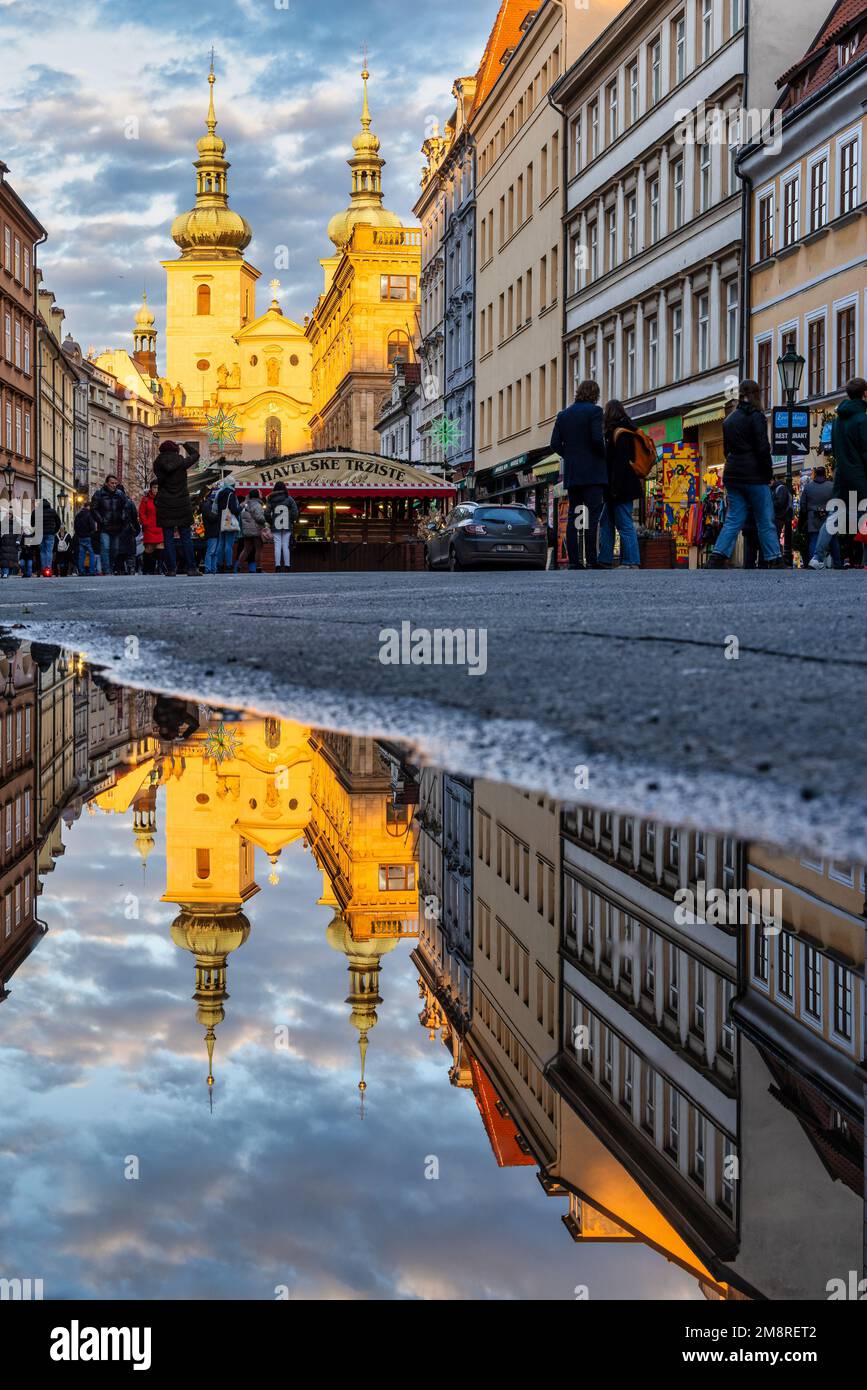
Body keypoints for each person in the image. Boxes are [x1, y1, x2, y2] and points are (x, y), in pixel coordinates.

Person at [707, 381, 784, 568]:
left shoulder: (729, 420)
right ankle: (774, 557)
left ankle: (718, 555)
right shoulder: (756, 417)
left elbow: (727, 451)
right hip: (754, 475)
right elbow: (762, 449)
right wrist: (768, 474)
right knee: (765, 518)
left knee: (734, 518)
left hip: (733, 474)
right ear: (757, 394)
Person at [809, 378, 867, 569]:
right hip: (860, 477)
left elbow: (834, 449)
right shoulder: (863, 420)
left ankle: (816, 557)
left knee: (834, 518)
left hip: (842, 476)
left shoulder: (835, 422)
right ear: (864, 394)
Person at [550, 379, 607, 569]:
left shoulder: (563, 415)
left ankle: (574, 561)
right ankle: (591, 559)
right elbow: (598, 439)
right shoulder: (595, 412)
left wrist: (570, 455)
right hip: (593, 474)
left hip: (573, 474)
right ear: (595, 395)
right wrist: (601, 456)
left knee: (576, 516)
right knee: (591, 517)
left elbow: (554, 444)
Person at [598, 400, 643, 569]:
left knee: (624, 524)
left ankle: (632, 561)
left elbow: (620, 464)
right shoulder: (622, 430)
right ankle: (604, 559)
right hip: (616, 489)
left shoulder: (621, 433)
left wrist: (614, 489)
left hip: (620, 488)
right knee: (606, 522)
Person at [153, 439, 201, 576]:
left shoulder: (157, 463)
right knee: (186, 537)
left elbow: (160, 478)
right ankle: (191, 568)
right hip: (182, 503)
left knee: (168, 538)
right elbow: (196, 454)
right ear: (176, 450)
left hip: (165, 503)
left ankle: (171, 569)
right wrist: (185, 444)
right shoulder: (181, 462)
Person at [91, 474, 138, 574]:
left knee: (115, 550)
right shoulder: (99, 494)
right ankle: (107, 570)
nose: (114, 485)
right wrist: (101, 520)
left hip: (117, 527)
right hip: (105, 527)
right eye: (112, 483)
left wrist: (123, 517)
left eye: (115, 483)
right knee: (105, 548)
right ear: (106, 483)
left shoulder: (120, 494)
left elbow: (126, 505)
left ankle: (110, 567)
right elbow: (93, 509)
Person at [799, 465, 839, 568]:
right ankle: (838, 562)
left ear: (815, 474)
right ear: (825, 474)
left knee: (814, 539)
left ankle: (814, 561)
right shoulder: (831, 486)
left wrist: (803, 520)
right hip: (829, 515)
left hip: (813, 517)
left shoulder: (808, 488)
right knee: (833, 540)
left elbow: (803, 506)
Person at [266, 481, 299, 572]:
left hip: (276, 525)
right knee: (285, 545)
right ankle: (287, 566)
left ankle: (277, 566)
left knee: (277, 545)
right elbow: (295, 512)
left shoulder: (270, 499)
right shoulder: (289, 499)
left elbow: (267, 513)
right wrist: (291, 520)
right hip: (286, 525)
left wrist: (271, 521)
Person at [215, 475, 241, 573]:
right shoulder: (231, 494)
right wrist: (241, 507)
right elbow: (234, 510)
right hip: (229, 521)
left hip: (220, 521)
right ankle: (229, 565)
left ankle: (219, 565)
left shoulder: (220, 493)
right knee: (229, 544)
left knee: (221, 543)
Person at [138, 479, 164, 575]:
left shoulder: (163, 499)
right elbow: (141, 513)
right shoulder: (145, 499)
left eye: (158, 488)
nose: (156, 490)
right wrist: (145, 523)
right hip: (149, 528)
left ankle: (159, 569)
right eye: (154, 487)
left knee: (160, 548)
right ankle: (147, 569)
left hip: (160, 527)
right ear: (151, 488)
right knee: (149, 549)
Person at [239, 488, 268, 572]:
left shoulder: (245, 504)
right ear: (257, 495)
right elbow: (259, 518)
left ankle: (238, 567)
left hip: (247, 531)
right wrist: (265, 519)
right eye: (260, 493)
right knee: (258, 549)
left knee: (246, 549)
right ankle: (259, 568)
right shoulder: (257, 505)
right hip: (256, 530)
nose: (261, 494)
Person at [73, 498, 101, 575]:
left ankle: (81, 571)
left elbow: (75, 526)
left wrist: (78, 534)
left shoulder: (78, 515)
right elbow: (92, 527)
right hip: (88, 537)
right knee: (92, 553)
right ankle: (91, 570)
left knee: (81, 554)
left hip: (80, 537)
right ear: (88, 507)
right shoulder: (89, 515)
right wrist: (91, 534)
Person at [201, 483, 224, 574]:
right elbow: (211, 518)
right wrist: (220, 514)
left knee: (215, 552)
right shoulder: (207, 505)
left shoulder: (211, 504)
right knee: (211, 551)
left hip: (215, 531)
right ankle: (208, 569)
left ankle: (213, 569)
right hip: (212, 531)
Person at [37, 497, 61, 574]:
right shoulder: (53, 511)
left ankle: (43, 569)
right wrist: (55, 531)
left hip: (40, 534)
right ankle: (48, 568)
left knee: (42, 551)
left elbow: (32, 523)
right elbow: (58, 522)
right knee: (49, 551)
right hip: (50, 534)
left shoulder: (37, 512)